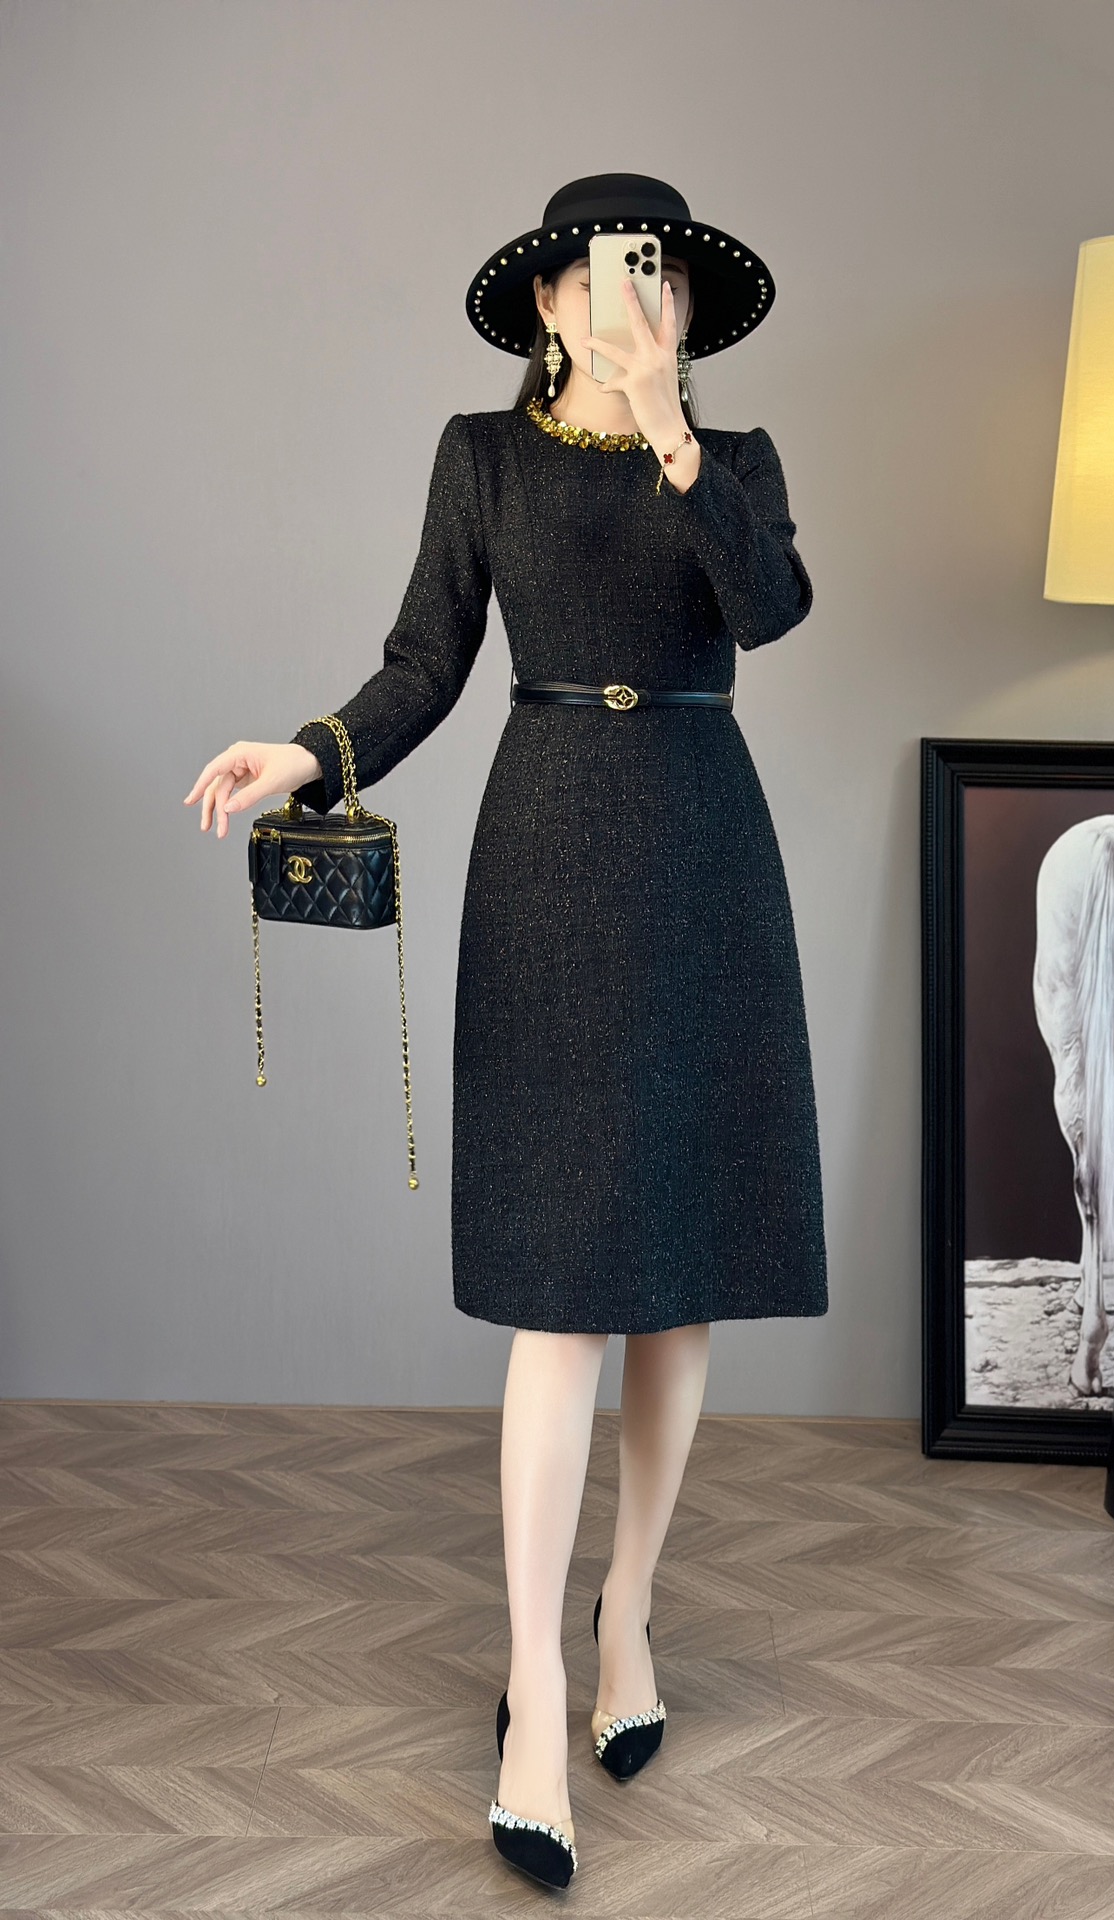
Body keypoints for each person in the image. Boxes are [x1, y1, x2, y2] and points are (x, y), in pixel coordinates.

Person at [183, 172, 827, 1891]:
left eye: (656, 277)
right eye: (602, 276)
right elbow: (423, 661)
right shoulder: (481, 457)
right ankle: (535, 1687)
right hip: (547, 852)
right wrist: (307, 752)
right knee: (563, 1286)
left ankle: (630, 1616)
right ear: (547, 301)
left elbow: (768, 610)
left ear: (682, 304)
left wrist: (672, 431)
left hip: (704, 852)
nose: (629, 300)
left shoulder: (735, 458)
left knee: (679, 1275)